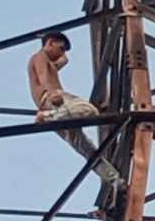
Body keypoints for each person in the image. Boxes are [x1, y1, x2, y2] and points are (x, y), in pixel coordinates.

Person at [28, 32, 124, 189]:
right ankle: (48, 117)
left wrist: (61, 55)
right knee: (89, 110)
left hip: (56, 111)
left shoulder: (49, 62)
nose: (62, 52)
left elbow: (62, 61)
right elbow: (43, 76)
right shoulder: (40, 57)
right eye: (61, 48)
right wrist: (53, 94)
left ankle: (115, 181)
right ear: (50, 43)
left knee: (88, 151)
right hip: (54, 102)